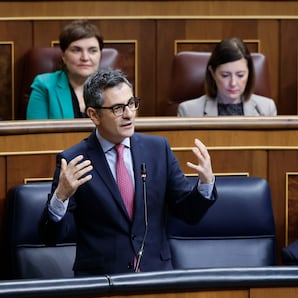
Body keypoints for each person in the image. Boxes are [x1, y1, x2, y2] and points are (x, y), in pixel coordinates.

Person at [40, 68, 217, 276]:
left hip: (156, 277)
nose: (129, 114)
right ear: (94, 115)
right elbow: (51, 237)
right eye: (117, 108)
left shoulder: (157, 149)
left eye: (131, 104)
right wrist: (61, 196)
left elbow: (188, 213)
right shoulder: (74, 161)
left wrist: (205, 184)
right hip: (102, 283)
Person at [177, 37, 277, 117]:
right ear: (212, 72)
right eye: (225, 75)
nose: (233, 83)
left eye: (240, 75)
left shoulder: (266, 109)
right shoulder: (189, 111)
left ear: (249, 73)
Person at [27, 19, 104, 119]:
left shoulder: (112, 87)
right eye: (76, 50)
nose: (85, 58)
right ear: (63, 56)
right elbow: (36, 133)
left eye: (92, 51)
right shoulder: (44, 86)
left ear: (100, 55)